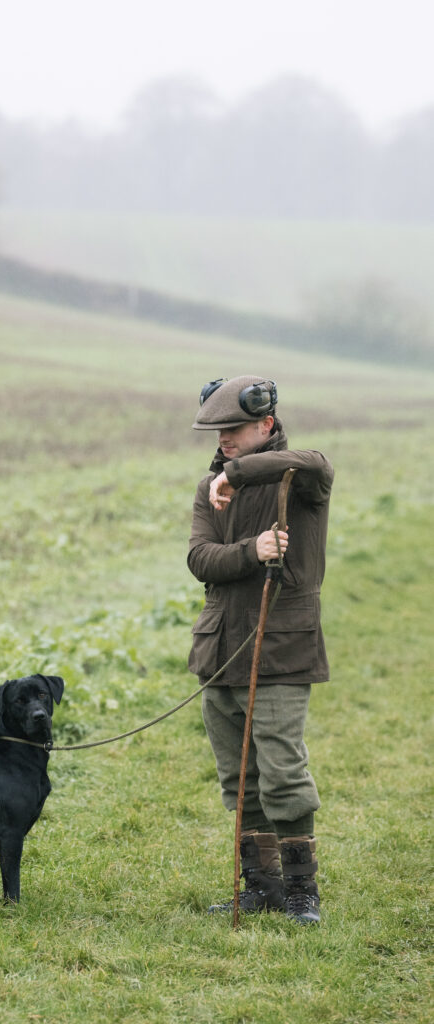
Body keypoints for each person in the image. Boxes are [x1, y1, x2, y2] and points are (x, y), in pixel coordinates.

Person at [187, 375, 333, 925]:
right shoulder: (210, 489)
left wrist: (237, 472)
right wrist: (252, 548)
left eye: (233, 429)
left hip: (281, 650)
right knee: (240, 778)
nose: (222, 438)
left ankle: (302, 893)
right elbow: (201, 558)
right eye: (216, 430)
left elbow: (317, 462)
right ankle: (264, 887)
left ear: (266, 425)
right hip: (220, 647)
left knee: (283, 774)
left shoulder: (300, 482)